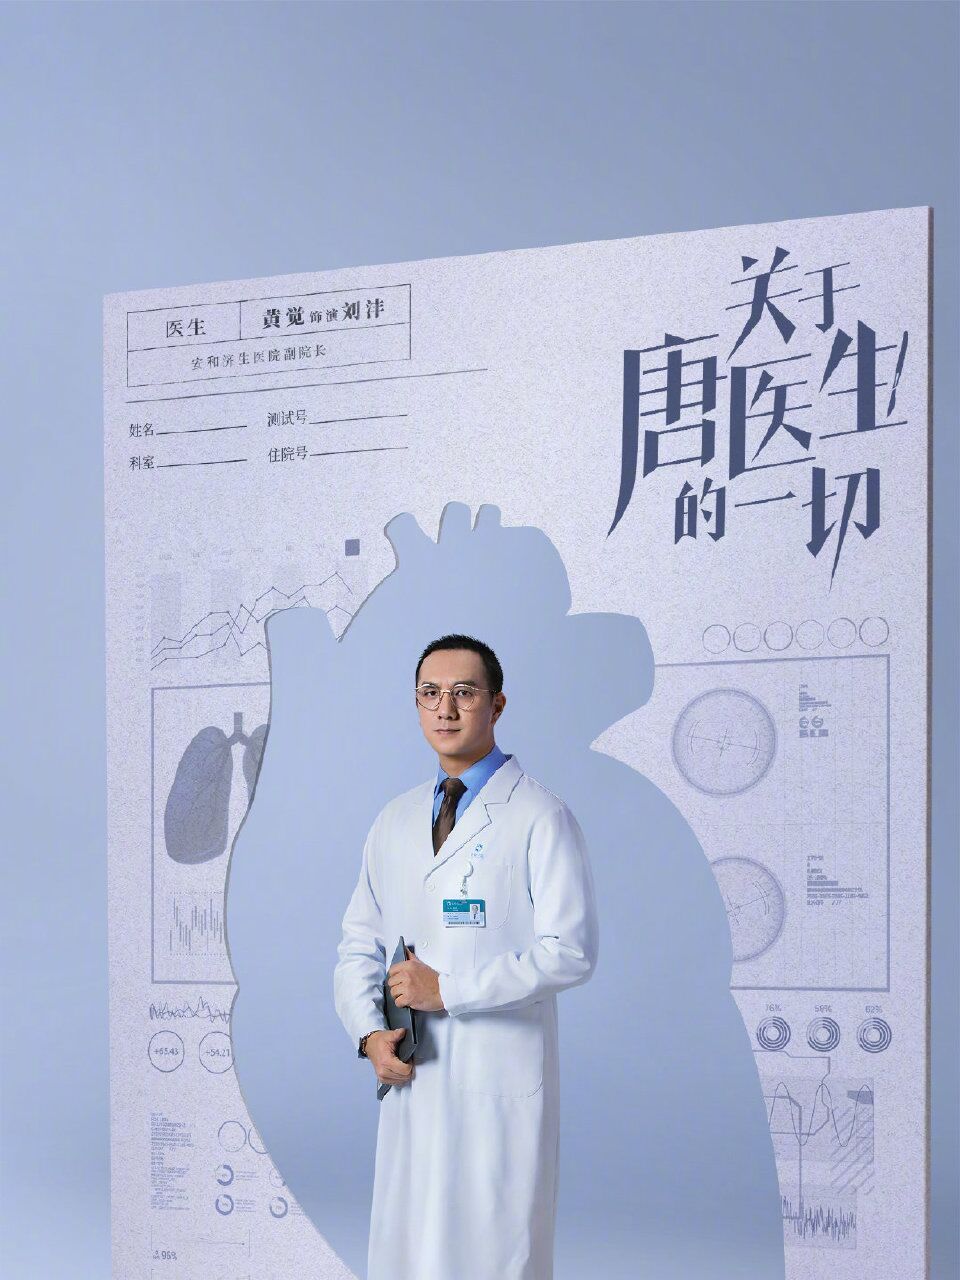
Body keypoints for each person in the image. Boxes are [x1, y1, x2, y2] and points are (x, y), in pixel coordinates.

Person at [333, 632, 599, 1280]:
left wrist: (447, 991)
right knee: (409, 1248)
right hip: (413, 1070)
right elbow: (358, 943)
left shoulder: (540, 816)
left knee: (491, 1249)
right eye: (430, 693)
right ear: (416, 704)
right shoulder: (394, 820)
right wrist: (368, 1033)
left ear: (497, 704)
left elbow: (570, 951)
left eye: (464, 692)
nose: (445, 708)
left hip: (496, 1076)